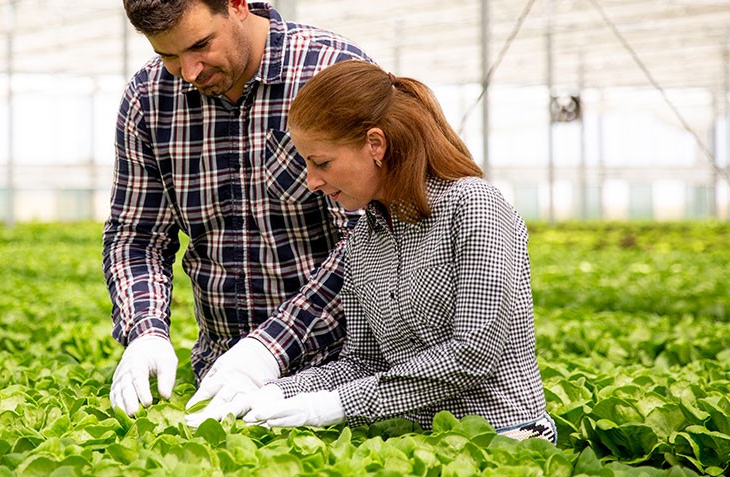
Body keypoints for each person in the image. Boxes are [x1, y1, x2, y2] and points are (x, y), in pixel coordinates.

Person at [188, 60, 555, 444]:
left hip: (507, 438)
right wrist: (278, 392)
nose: (312, 182)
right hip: (417, 441)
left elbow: (473, 353)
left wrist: (336, 405)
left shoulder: (473, 206)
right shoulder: (363, 238)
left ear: (375, 144)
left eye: (322, 163)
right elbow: (363, 362)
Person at [104, 0, 374, 417]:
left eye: (200, 45)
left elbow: (371, 239)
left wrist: (269, 348)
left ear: (237, 5)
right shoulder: (149, 98)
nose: (189, 72)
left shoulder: (327, 70)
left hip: (341, 376)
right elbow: (136, 238)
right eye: (169, 56)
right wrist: (145, 331)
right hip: (218, 381)